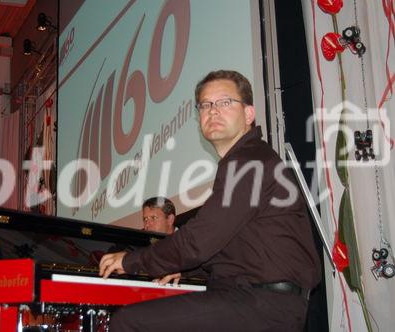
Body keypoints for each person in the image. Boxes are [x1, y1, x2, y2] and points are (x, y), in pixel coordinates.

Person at [99, 70, 321, 331]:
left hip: (263, 304)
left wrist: (130, 261)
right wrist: (188, 270)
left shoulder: (249, 161)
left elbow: (199, 240)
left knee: (128, 322)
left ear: (249, 114)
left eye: (225, 102)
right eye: (206, 105)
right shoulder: (248, 160)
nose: (213, 111)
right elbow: (234, 250)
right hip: (258, 300)